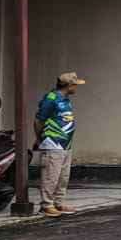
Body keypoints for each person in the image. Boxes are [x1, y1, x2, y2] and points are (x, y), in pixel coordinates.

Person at [33, 71, 85, 215]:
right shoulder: (51, 99)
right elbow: (38, 121)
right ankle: (46, 205)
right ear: (69, 86)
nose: (76, 87)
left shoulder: (65, 99)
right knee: (51, 176)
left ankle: (59, 203)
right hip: (53, 144)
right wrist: (39, 139)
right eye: (75, 85)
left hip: (65, 145)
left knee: (63, 176)